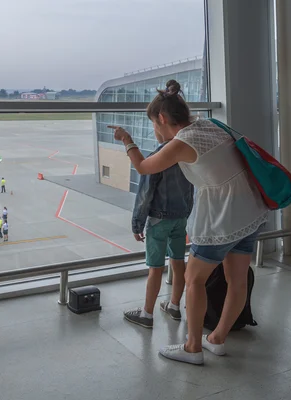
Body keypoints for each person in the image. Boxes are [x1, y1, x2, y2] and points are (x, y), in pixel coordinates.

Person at [110, 79, 268, 365]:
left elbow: (144, 167)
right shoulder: (209, 126)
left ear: (161, 118)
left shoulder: (182, 142)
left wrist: (127, 140)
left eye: (155, 124)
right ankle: (217, 339)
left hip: (221, 217)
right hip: (250, 209)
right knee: (237, 280)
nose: (156, 130)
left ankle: (193, 347)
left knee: (194, 280)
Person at [123, 128, 193, 329]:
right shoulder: (185, 153)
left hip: (159, 220)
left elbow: (145, 195)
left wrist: (137, 223)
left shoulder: (157, 157)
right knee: (178, 262)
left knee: (155, 268)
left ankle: (146, 314)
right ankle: (174, 305)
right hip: (180, 218)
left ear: (161, 125)